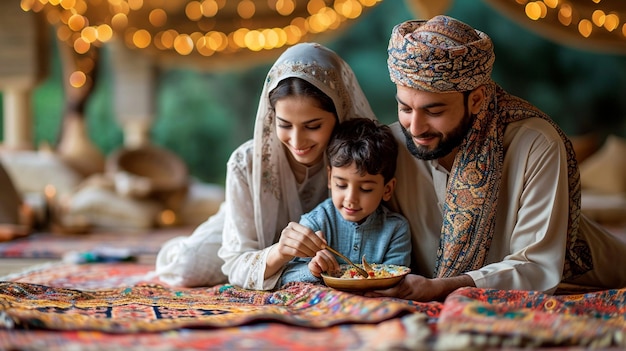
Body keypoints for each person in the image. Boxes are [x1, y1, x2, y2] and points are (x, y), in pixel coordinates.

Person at [367, 15, 626, 302]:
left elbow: (537, 266)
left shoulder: (535, 143)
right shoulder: (390, 144)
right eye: (404, 108)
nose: (415, 128)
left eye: (434, 111)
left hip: (592, 281)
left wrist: (440, 288)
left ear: (476, 99)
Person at [154, 42, 377, 290]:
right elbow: (237, 262)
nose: (297, 141)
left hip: (312, 257)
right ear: (271, 118)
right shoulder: (246, 163)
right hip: (245, 226)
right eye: (284, 124)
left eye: (313, 126)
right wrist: (281, 252)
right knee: (187, 267)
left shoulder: (356, 156)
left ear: (339, 113)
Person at [278, 118, 411, 287]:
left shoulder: (395, 229)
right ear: (329, 178)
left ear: (387, 189)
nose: (350, 198)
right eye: (341, 185)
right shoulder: (315, 223)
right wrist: (312, 270)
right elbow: (285, 278)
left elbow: (396, 280)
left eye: (366, 189)